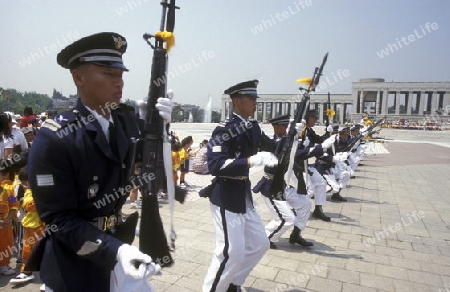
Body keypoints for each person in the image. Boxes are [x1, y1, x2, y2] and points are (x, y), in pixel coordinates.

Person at [27, 32, 170, 292]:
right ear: (78, 77)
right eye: (109, 74)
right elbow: (59, 219)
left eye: (120, 75)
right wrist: (116, 251)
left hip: (118, 249)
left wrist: (161, 132)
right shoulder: (55, 137)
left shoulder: (125, 121)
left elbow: (150, 165)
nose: (120, 83)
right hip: (75, 262)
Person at [202, 80, 278, 292]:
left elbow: (274, 146)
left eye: (255, 99)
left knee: (260, 244)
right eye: (251, 99)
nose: (255, 103)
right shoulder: (223, 130)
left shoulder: (252, 126)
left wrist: (292, 135)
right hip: (226, 196)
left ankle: (232, 283)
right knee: (230, 252)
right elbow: (215, 165)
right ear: (237, 101)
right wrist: (250, 161)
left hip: (243, 195)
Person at [9, 167, 45, 286]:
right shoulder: (29, 191)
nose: (24, 185)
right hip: (30, 225)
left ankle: (49, 278)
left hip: (44, 225)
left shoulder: (43, 189)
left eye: (26, 182)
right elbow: (27, 204)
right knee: (27, 250)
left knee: (47, 251)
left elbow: (31, 204)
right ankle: (26, 271)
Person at [300, 109, 335, 222]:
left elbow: (319, 140)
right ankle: (294, 209)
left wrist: (328, 133)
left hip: (306, 164)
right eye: (314, 118)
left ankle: (318, 210)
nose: (315, 121)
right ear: (307, 118)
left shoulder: (309, 130)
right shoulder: (301, 129)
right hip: (297, 166)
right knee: (309, 190)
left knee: (321, 183)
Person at [0, 159, 19, 276]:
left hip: (6, 226)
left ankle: (3, 265)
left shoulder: (8, 191)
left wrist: (9, 218)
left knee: (6, 245)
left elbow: (14, 205)